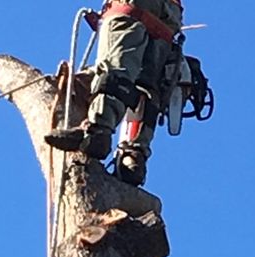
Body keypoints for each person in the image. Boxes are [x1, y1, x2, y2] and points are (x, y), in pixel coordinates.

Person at [45, 0, 184, 186]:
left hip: (135, 5)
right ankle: (133, 157)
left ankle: (97, 131)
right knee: (146, 85)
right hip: (170, 14)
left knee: (115, 67)